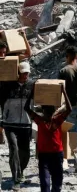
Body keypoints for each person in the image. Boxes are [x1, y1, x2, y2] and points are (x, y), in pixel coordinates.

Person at [0, 60, 34, 189]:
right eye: (23, 73)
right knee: (14, 149)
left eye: (27, 73)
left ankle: (21, 171)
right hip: (10, 124)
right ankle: (16, 179)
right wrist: (1, 122)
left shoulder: (32, 85)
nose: (26, 76)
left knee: (25, 152)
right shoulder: (7, 86)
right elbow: (1, 104)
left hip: (26, 124)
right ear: (18, 73)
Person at [25, 101, 68, 192]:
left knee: (53, 183)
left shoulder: (53, 120)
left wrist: (64, 91)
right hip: (49, 155)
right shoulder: (42, 120)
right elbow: (26, 108)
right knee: (49, 183)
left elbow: (69, 109)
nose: (47, 114)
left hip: (53, 155)